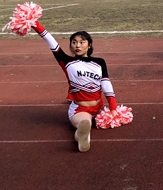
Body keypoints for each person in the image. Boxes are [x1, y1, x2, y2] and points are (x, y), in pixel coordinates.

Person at [31, 21, 119, 152]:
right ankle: (82, 137)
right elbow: (50, 40)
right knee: (85, 123)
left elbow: (106, 83)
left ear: (89, 45)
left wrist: (113, 107)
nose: (77, 45)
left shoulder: (99, 62)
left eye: (82, 42)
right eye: (74, 42)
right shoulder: (66, 61)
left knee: (92, 122)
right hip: (80, 109)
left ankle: (84, 133)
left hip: (100, 108)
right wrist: (34, 24)